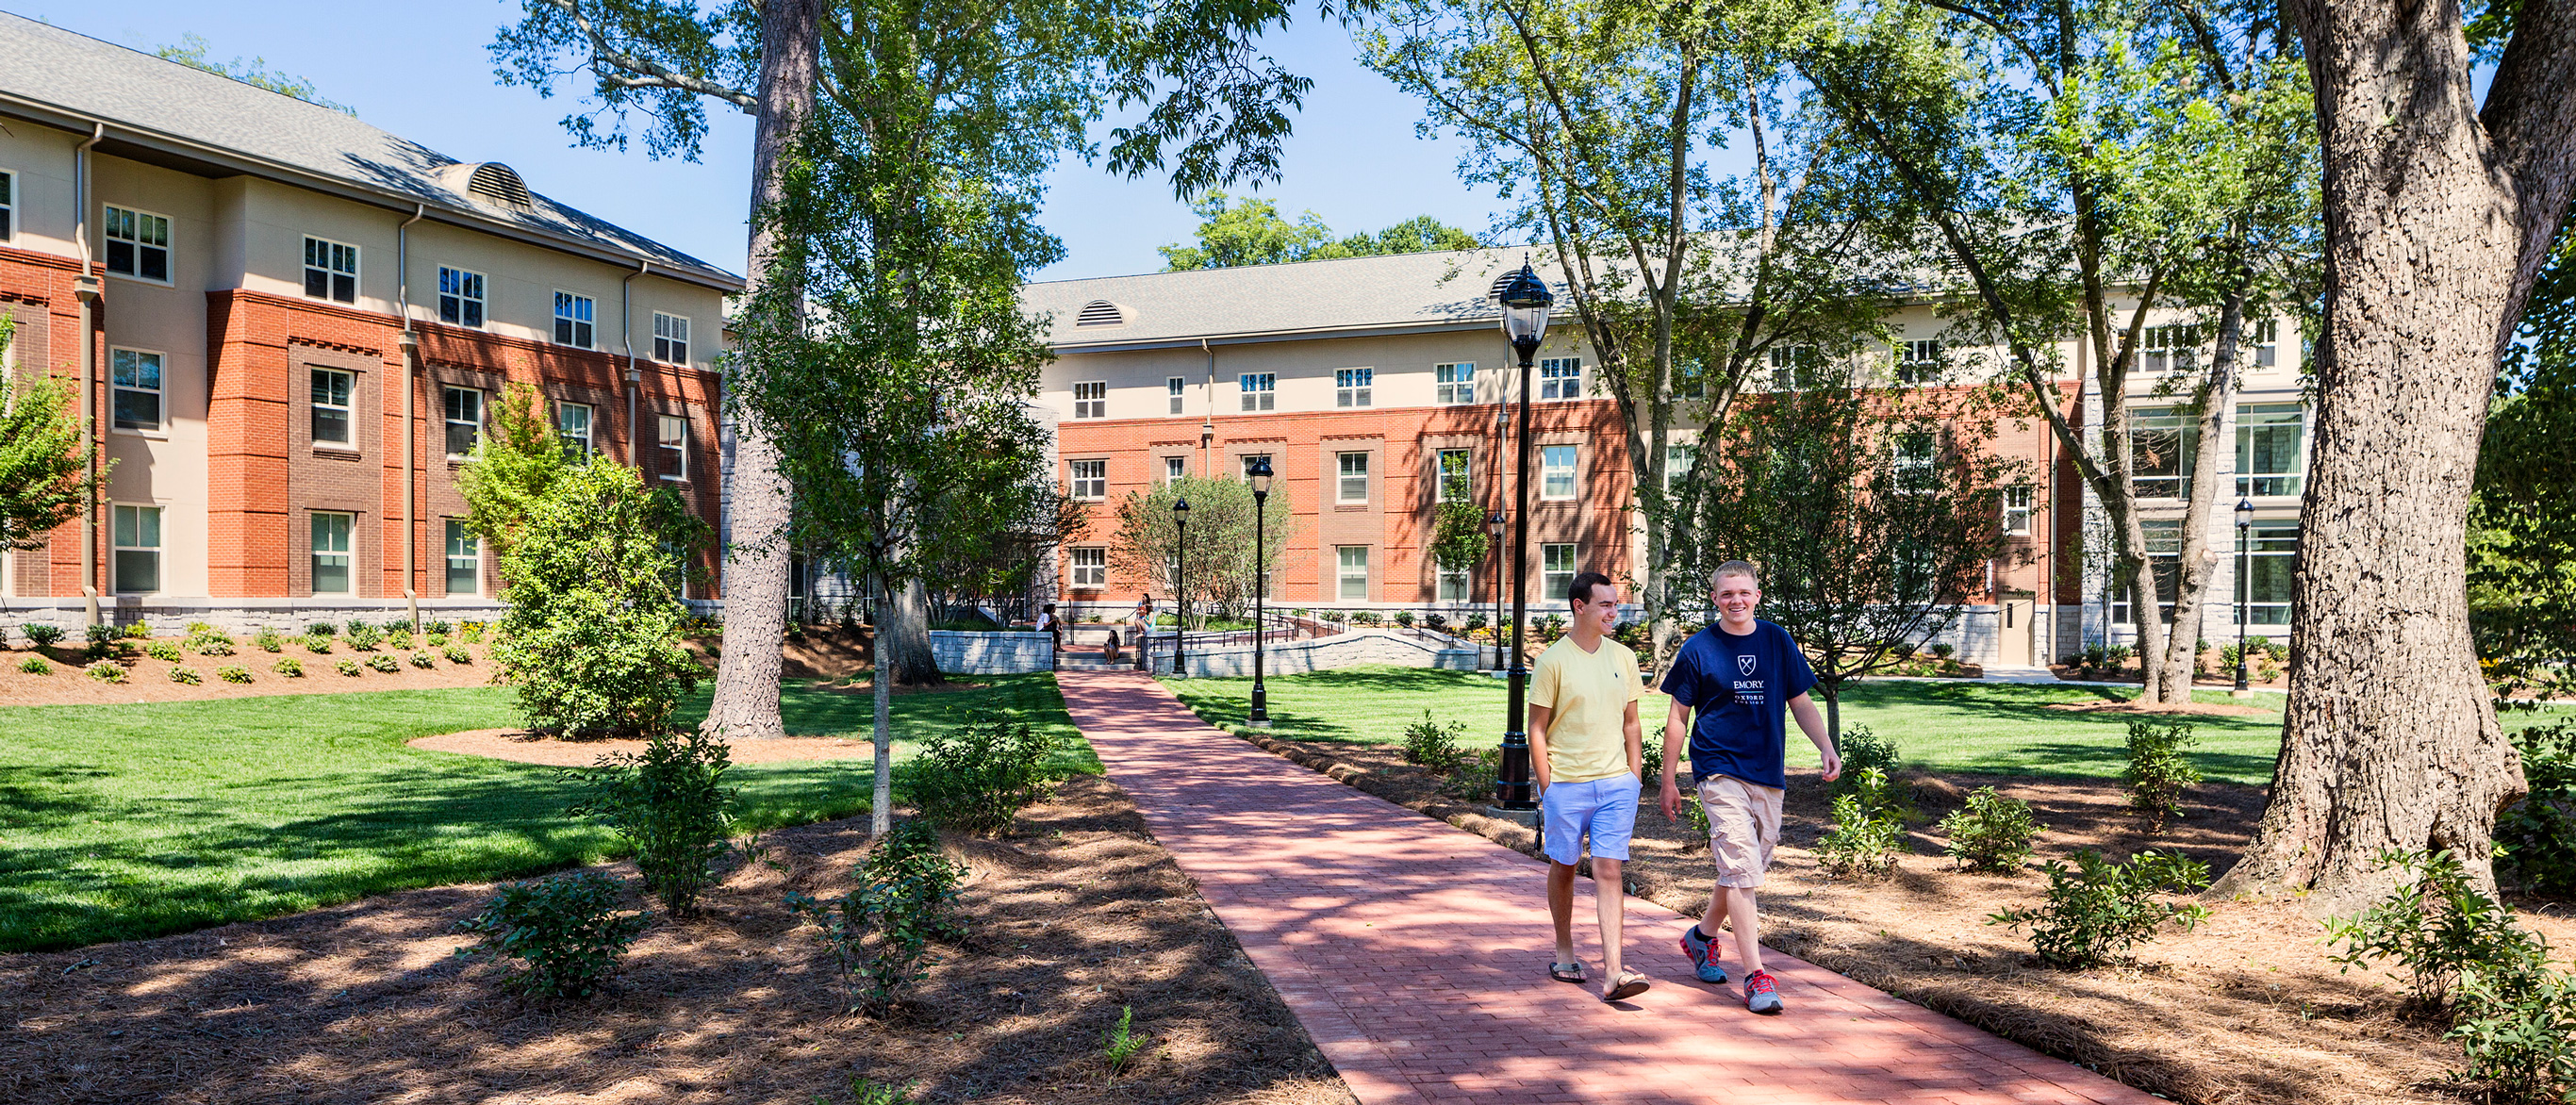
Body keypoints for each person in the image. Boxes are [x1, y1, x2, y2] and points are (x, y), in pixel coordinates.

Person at [1657, 559, 1841, 1014]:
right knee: (1742, 867)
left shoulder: (1777, 640)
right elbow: (1678, 716)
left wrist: (1826, 746)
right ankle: (1756, 976)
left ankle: (1701, 937)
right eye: (1726, 594)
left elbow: (1800, 701)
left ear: (1757, 595)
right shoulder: (1699, 649)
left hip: (1767, 771)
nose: (1735, 600)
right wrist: (1668, 777)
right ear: (1714, 598)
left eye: (1744, 592)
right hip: (1717, 769)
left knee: (1745, 867)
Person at [1528, 570, 1650, 1003]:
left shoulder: (1624, 658)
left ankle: (1614, 972)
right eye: (1605, 604)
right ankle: (1564, 951)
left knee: (1609, 868)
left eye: (1615, 604)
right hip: (1567, 785)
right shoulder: (1552, 661)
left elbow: (1632, 723)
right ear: (1580, 607)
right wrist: (1549, 787)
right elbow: (1537, 730)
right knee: (1564, 866)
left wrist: (1634, 777)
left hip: (1617, 785)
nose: (1614, 611)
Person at [1129, 597, 1155, 671]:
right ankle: (1140, 632)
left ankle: (1140, 633)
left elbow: (1149, 622)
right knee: (1137, 620)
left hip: (1150, 629)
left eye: (1146, 608)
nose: (1145, 610)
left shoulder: (1151, 614)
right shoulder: (1147, 613)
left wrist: (1145, 619)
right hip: (1147, 627)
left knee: (1137, 620)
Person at [1036, 603, 1061, 670]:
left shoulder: (1047, 614)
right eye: (1055, 608)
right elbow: (1045, 625)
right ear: (1052, 609)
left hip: (1041, 629)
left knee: (1055, 629)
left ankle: (1057, 645)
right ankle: (1058, 646)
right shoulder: (1046, 615)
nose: (1055, 609)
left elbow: (1057, 618)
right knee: (1056, 632)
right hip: (1041, 629)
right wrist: (1052, 621)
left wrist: (1059, 624)